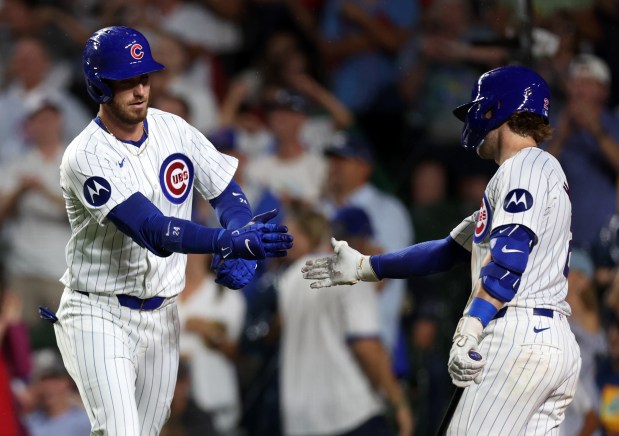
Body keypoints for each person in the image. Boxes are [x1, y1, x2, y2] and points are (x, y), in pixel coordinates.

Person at [303, 65, 581, 434]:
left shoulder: (523, 167)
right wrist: (366, 266)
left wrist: (471, 324)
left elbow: (509, 258)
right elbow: (447, 250)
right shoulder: (539, 171)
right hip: (552, 341)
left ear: (494, 109)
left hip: (518, 335)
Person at [49, 26, 293, 436]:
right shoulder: (85, 155)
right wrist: (224, 240)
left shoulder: (173, 128)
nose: (140, 89)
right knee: (121, 431)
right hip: (98, 312)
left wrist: (240, 235)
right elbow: (152, 229)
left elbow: (225, 193)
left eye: (144, 76)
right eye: (126, 80)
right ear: (98, 86)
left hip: (163, 313)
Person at [279, 203, 413, 436]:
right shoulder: (352, 272)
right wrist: (398, 403)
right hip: (349, 414)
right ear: (359, 242)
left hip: (300, 419)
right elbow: (366, 348)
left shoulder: (291, 278)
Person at [178, 253, 246, 435]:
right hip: (172, 407)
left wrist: (209, 332)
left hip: (214, 402)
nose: (187, 253)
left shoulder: (224, 292)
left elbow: (238, 352)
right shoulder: (163, 290)